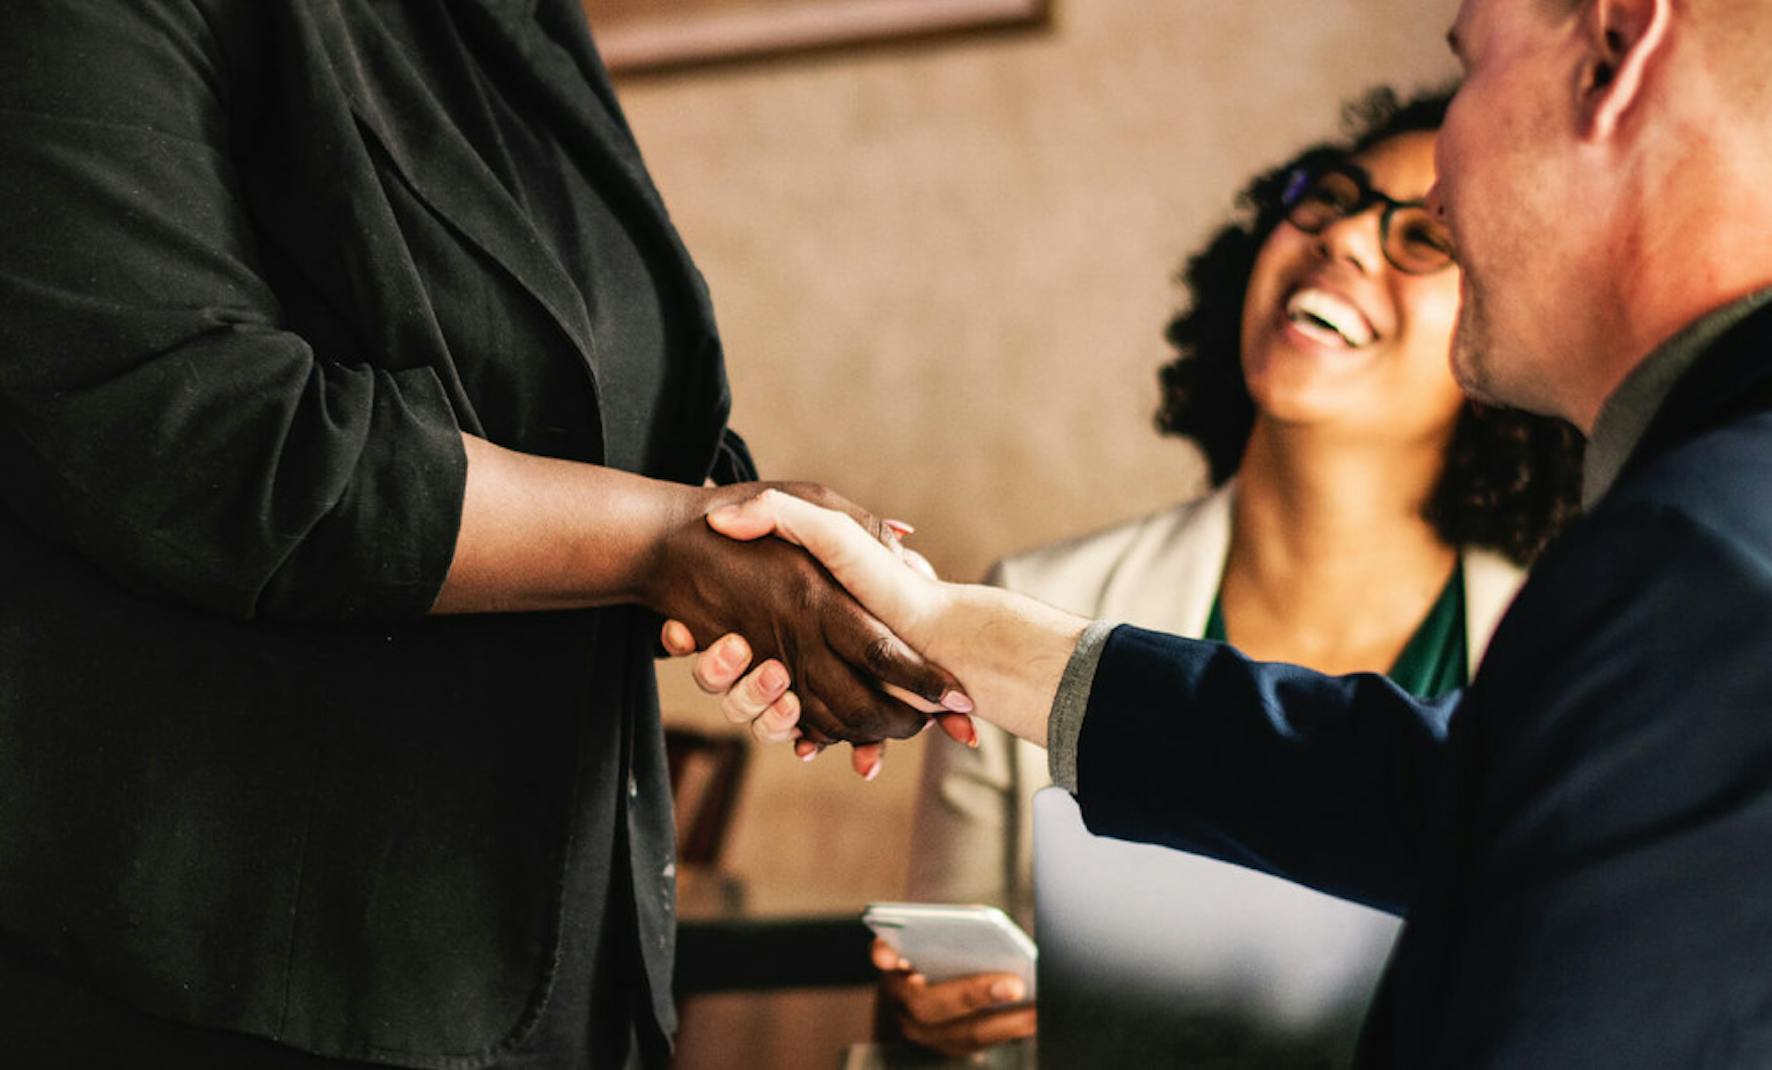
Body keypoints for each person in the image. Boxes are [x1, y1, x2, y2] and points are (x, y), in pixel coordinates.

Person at [684, 0, 1772, 1061]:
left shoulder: (1698, 559)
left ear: (1614, 53)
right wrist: (941, 625)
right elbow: (1434, 795)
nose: (1433, 178)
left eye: (1469, 61)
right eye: (1324, 203)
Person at [0, 2, 966, 1067]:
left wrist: (764, 536)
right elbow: (201, 431)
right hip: (253, 987)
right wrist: (667, 543)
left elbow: (585, 402)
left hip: (564, 959)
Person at [871, 85, 1582, 1061]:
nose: (1341, 241)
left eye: (1424, 237)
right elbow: (943, 997)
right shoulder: (1017, 605)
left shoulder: (1575, 639)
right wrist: (931, 1031)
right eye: (1328, 198)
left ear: (1509, 324)